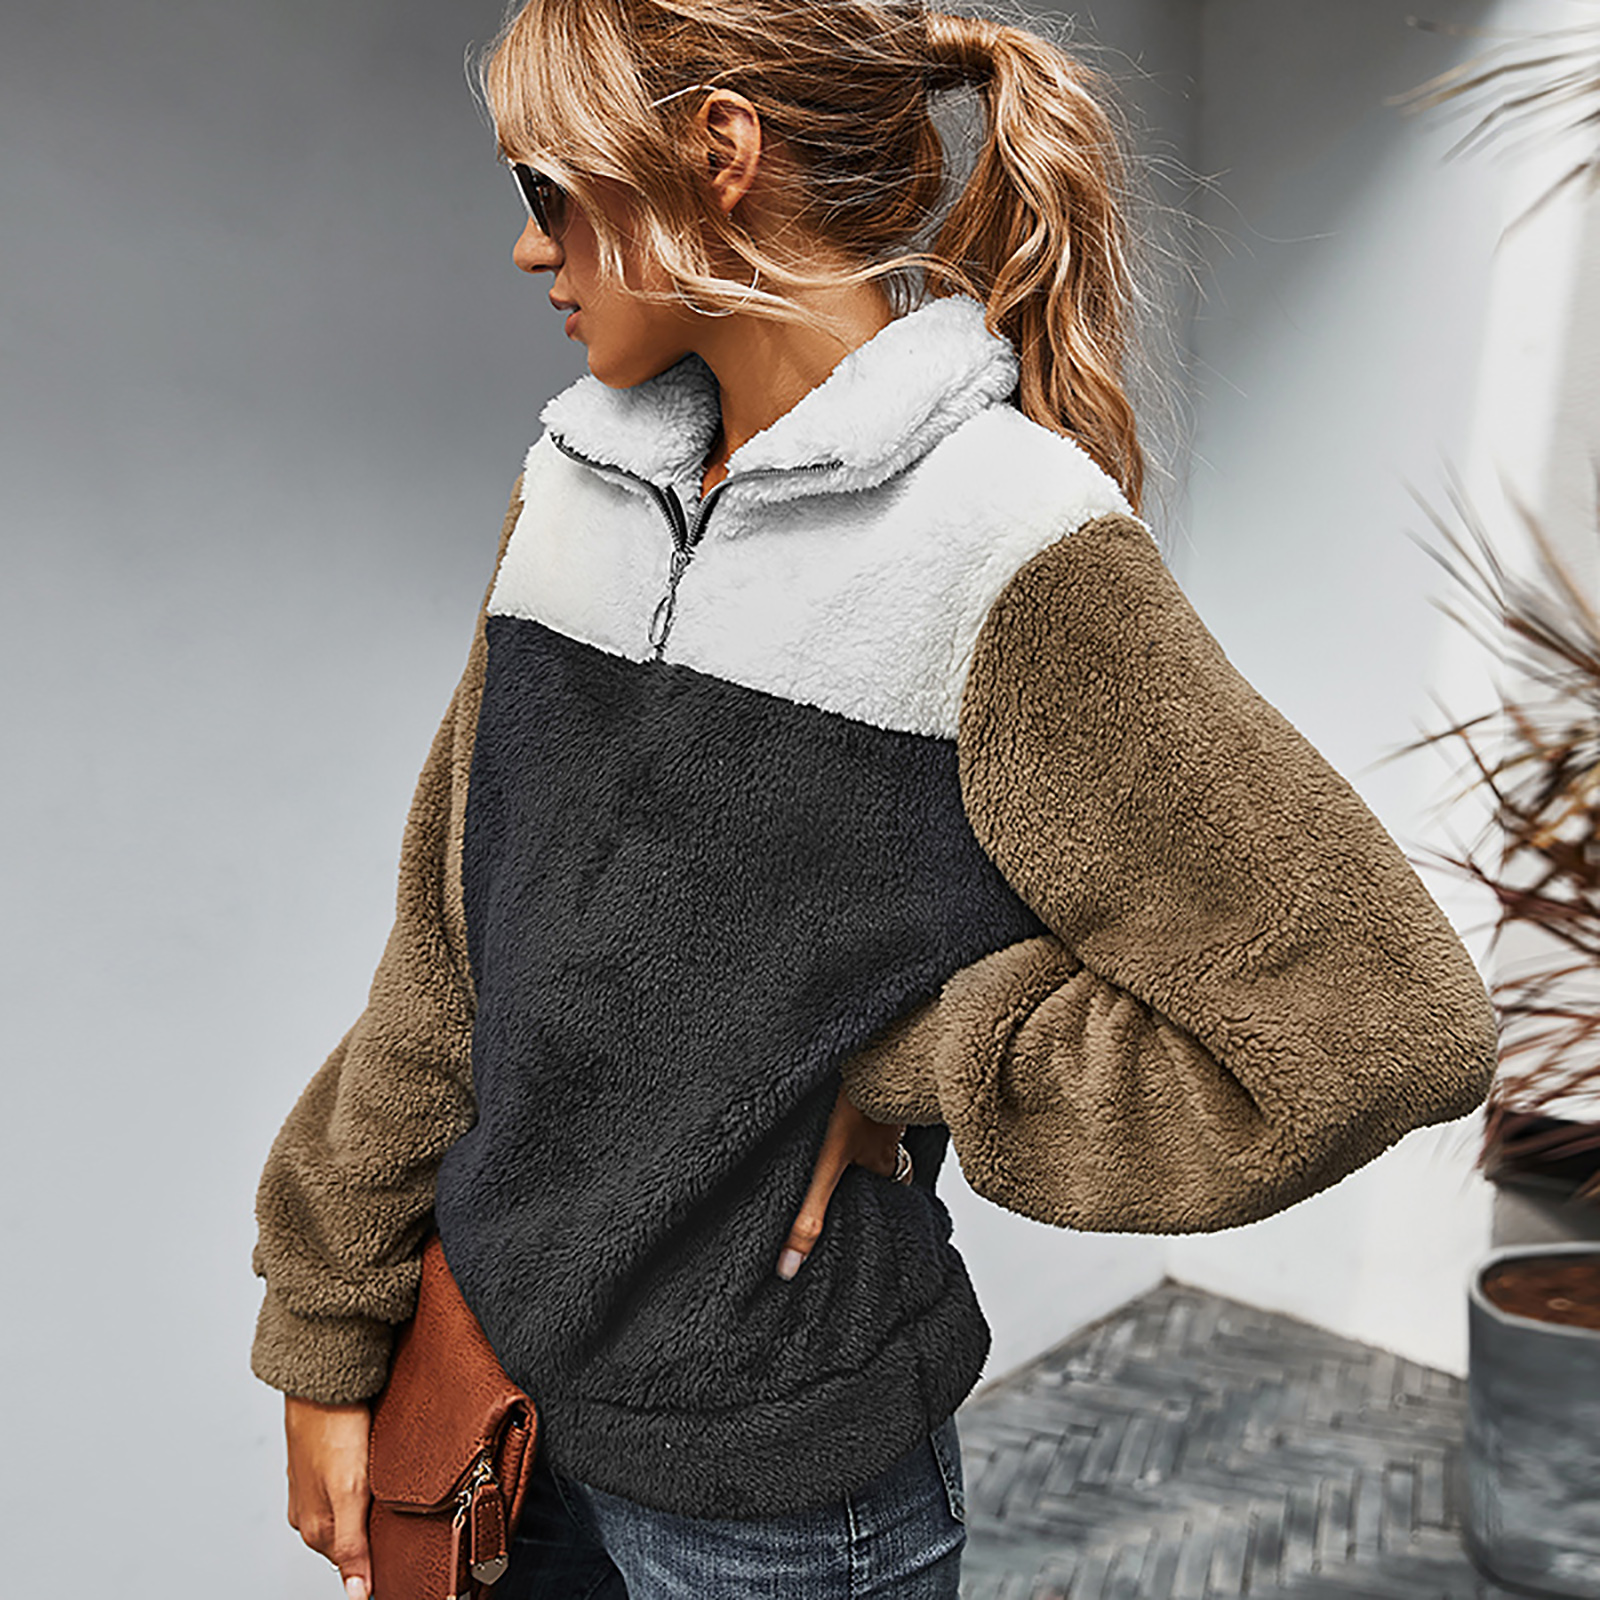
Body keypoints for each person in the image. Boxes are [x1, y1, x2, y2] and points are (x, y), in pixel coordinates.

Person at [249, 1, 1501, 1596]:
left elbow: (1376, 1021)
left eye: (545, 191)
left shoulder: (1007, 546)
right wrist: (329, 1324)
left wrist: (924, 1056)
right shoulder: (572, 488)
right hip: (500, 1410)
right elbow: (448, 955)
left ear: (718, 151)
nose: (527, 249)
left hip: (778, 1510)